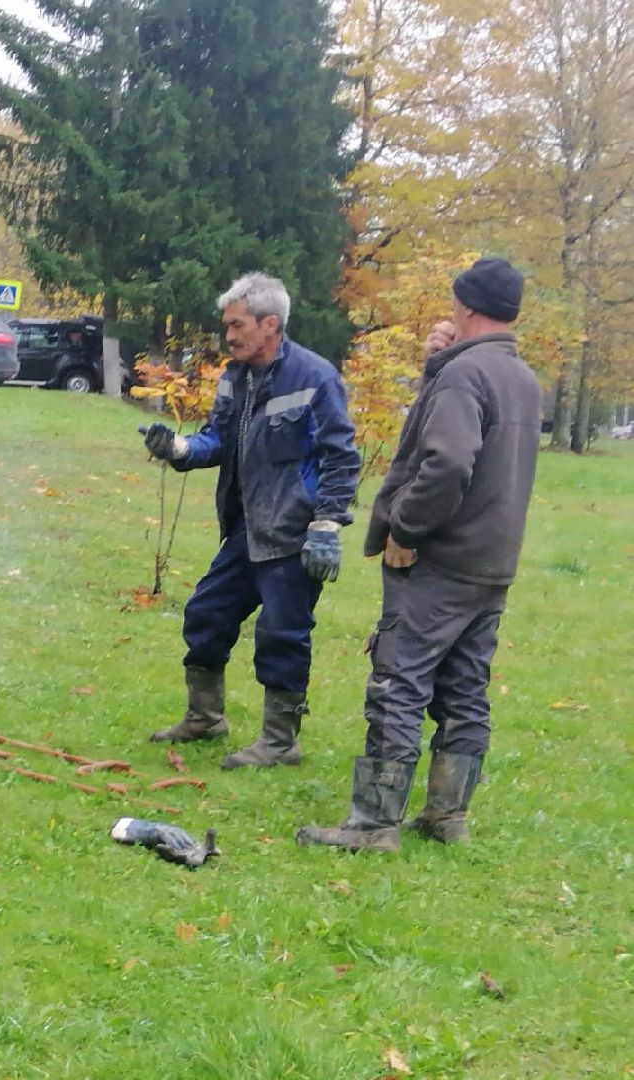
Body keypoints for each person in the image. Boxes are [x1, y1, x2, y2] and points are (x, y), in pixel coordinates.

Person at [298, 257, 541, 852]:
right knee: (465, 689)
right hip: (492, 563)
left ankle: (373, 823)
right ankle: (446, 815)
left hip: (441, 560)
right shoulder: (520, 377)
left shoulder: (467, 376)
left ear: (467, 306)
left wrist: (405, 530)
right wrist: (439, 364)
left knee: (398, 683)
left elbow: (450, 463)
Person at [142, 272, 360, 769]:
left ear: (270, 324)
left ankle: (281, 742)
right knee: (206, 613)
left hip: (294, 534)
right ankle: (205, 717)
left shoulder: (315, 377)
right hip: (247, 529)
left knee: (282, 634)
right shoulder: (235, 376)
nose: (230, 336)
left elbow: (341, 456)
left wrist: (327, 523)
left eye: (237, 325)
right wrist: (178, 448)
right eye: (228, 326)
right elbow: (217, 438)